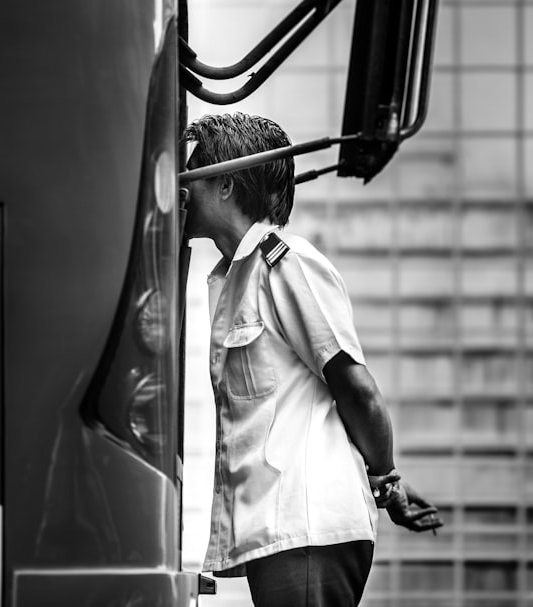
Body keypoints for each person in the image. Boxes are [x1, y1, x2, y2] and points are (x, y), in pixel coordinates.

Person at [182, 112, 442, 607]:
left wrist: (386, 482)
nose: (182, 186)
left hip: (307, 527)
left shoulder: (286, 263)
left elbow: (356, 388)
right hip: (285, 530)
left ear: (226, 184)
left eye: (193, 171)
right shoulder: (235, 277)